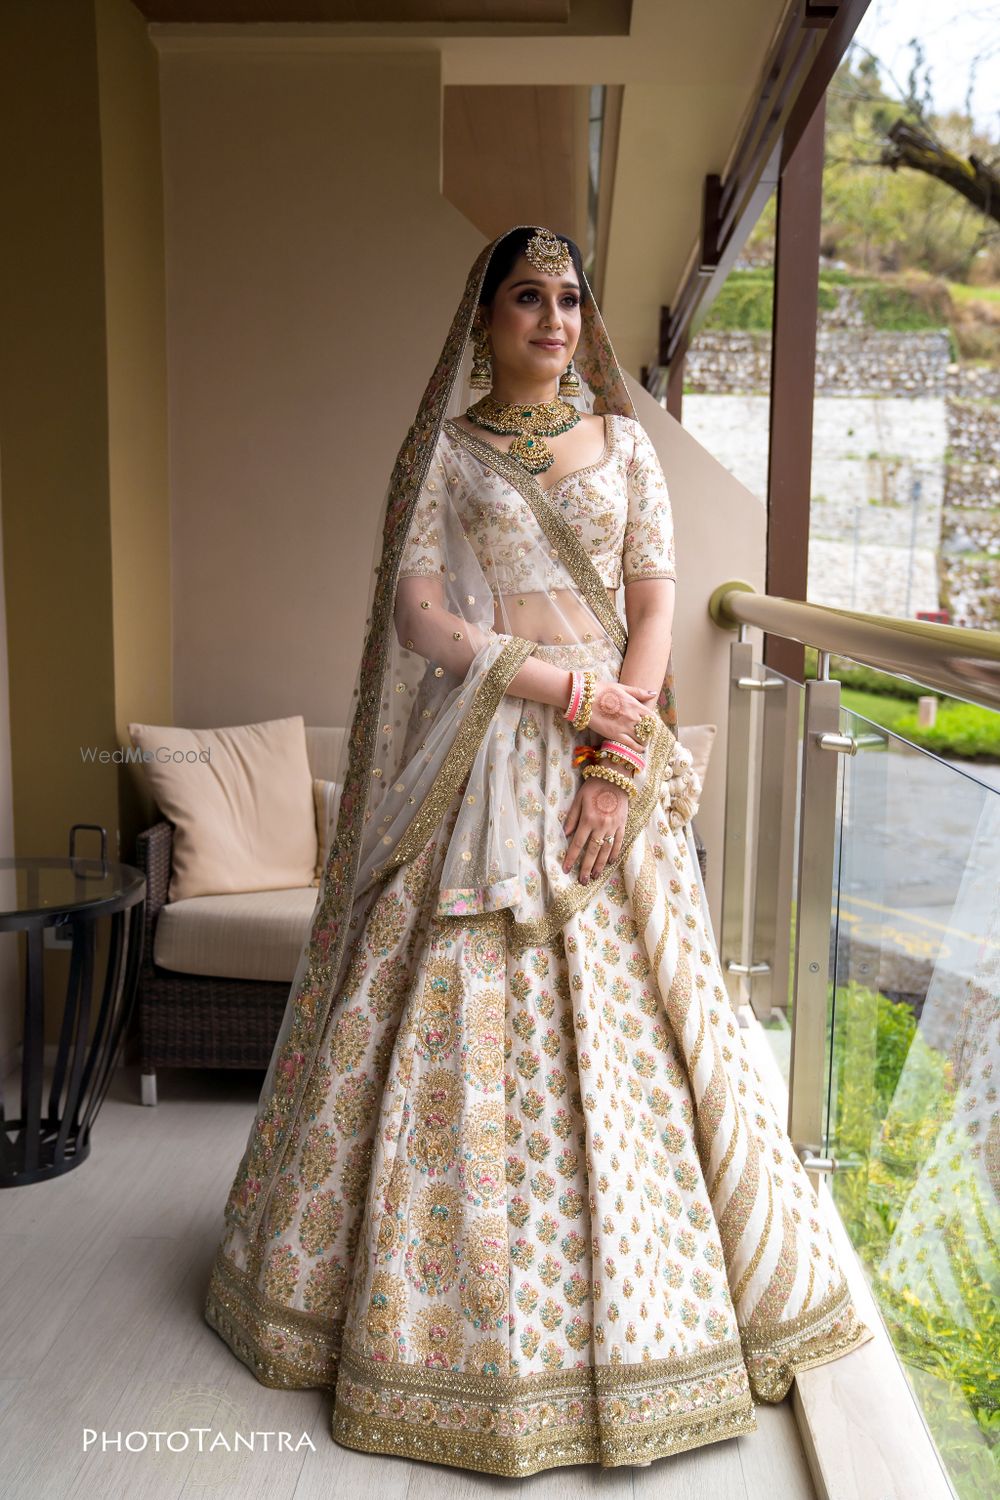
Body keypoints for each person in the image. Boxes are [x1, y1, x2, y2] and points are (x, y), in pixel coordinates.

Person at [203, 225, 873, 1476]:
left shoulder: (625, 445)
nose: (554, 320)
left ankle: (660, 1321)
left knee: (655, 1032)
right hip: (489, 754)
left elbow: (658, 597)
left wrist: (615, 757)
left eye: (570, 299)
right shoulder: (446, 453)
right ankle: (436, 1333)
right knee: (446, 1018)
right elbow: (416, 613)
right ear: (488, 315)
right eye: (529, 297)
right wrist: (548, 686)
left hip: (603, 751)